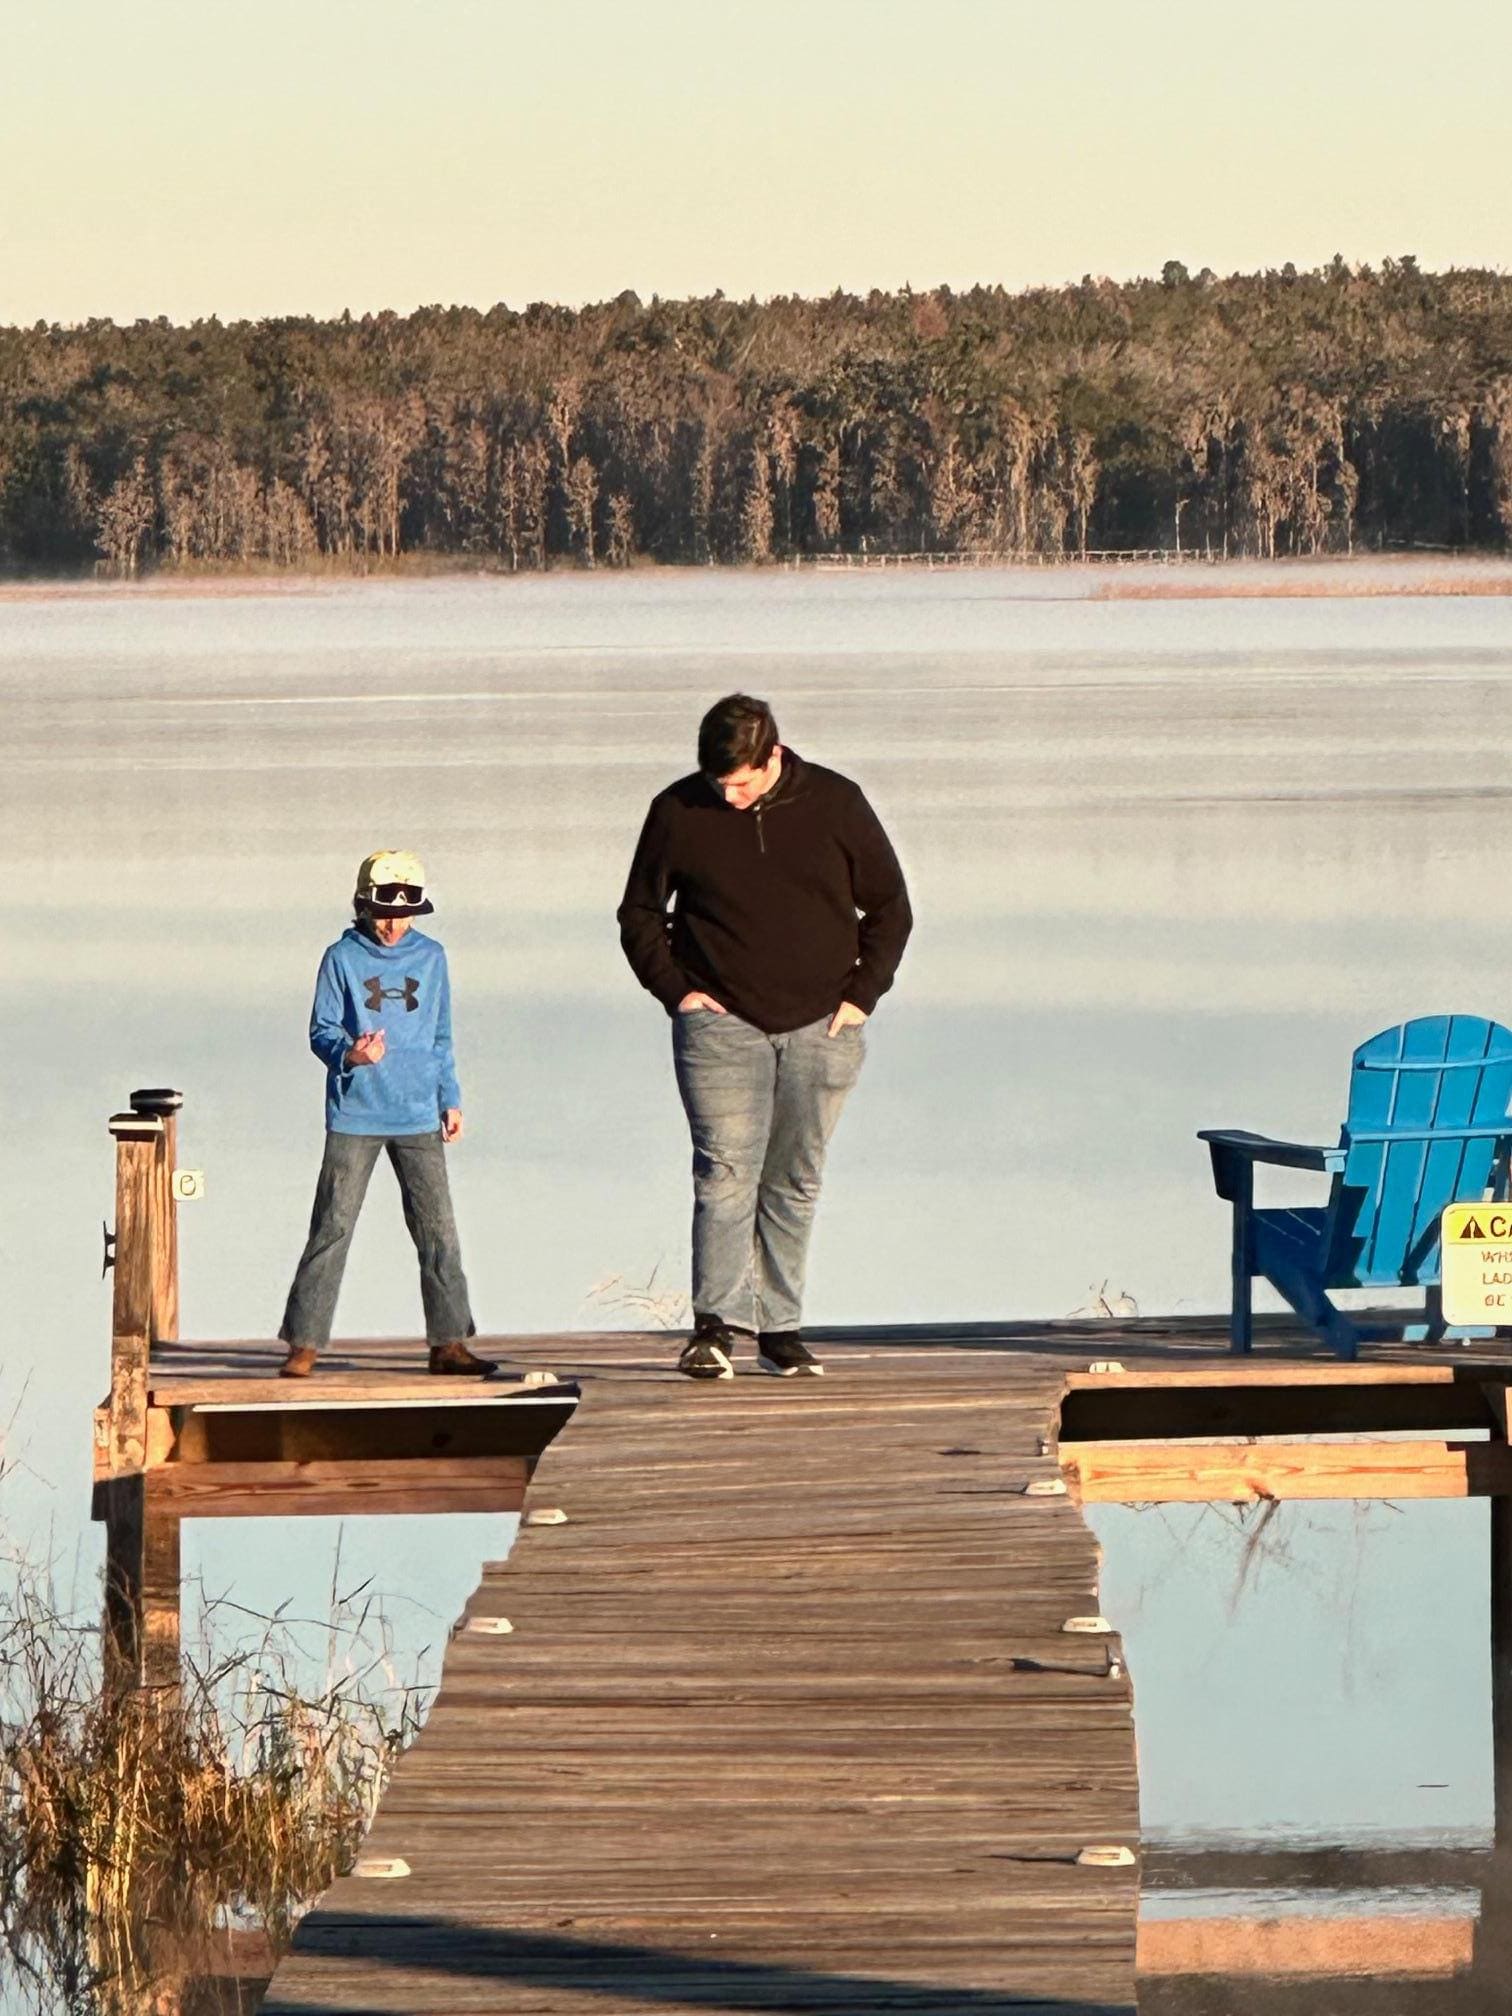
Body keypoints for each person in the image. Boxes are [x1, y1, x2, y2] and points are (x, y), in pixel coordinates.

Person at [618, 693, 912, 1380]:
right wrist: (678, 994)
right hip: (720, 1028)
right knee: (724, 1174)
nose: (730, 793)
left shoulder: (837, 805)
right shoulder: (676, 811)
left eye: (743, 781)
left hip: (823, 1026)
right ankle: (714, 1329)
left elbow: (892, 908)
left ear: (774, 756)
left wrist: (861, 997)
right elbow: (638, 914)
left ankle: (781, 1330)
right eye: (720, 781)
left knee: (795, 1178)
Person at [278, 849, 498, 1379]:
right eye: (383, 913)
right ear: (362, 907)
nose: (393, 924)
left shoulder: (432, 957)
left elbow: (441, 1035)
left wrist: (451, 1098)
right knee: (332, 1226)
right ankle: (303, 1344)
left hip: (419, 1113)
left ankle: (449, 1345)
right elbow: (320, 1031)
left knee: (438, 1231)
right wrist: (352, 1053)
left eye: (404, 914)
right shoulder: (341, 958)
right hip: (356, 1114)